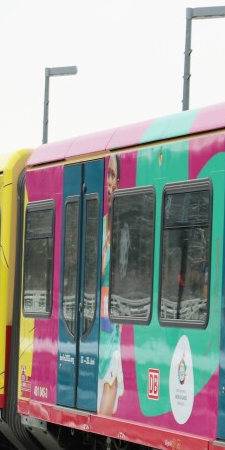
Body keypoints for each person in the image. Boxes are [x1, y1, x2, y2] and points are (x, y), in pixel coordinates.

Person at [98, 155, 122, 416]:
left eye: (113, 175)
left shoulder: (124, 231)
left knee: (111, 382)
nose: (108, 182)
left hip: (113, 325)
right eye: (105, 174)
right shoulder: (94, 231)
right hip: (94, 324)